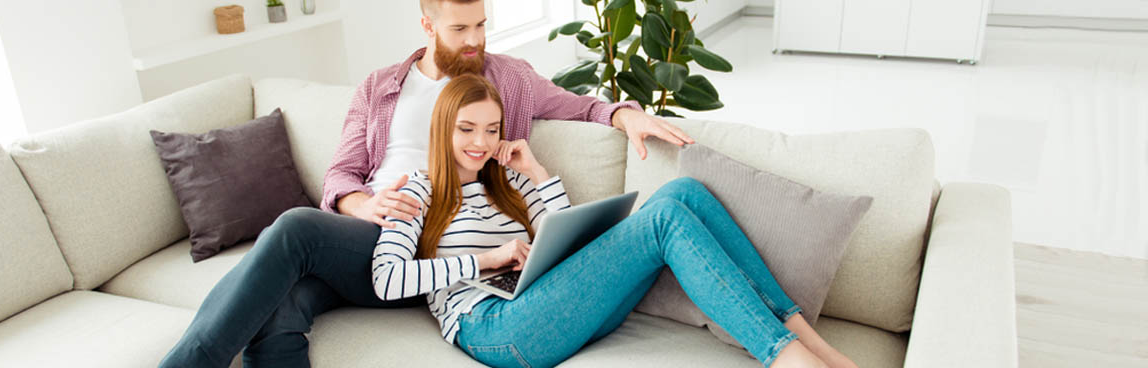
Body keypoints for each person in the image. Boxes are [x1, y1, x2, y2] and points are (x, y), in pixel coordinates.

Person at [160, 0, 694, 366]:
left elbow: (583, 106)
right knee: (283, 303)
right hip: (380, 230)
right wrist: (360, 204)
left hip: (440, 241)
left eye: (481, 25)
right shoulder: (379, 87)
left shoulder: (510, 77)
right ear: (426, 25)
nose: (474, 40)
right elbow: (341, 174)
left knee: (295, 228)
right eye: (459, 29)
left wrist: (626, 115)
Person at [374, 74, 859, 368]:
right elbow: (387, 280)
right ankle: (783, 354)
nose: (480, 142)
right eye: (466, 129)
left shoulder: (511, 182)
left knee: (683, 192)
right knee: (666, 217)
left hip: (551, 310)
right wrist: (486, 260)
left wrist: (538, 174)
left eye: (491, 129)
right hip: (494, 329)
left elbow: (566, 249)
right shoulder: (416, 191)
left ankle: (810, 341)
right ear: (443, 129)